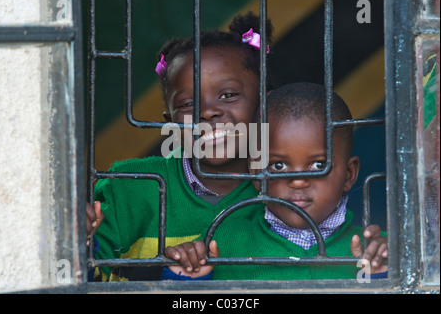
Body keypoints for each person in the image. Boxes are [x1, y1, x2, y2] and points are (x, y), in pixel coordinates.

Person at [86, 12, 386, 281]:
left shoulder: (281, 196)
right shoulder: (129, 185)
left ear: (265, 104)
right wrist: (79, 240)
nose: (208, 113)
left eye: (228, 95)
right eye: (188, 104)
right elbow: (89, 273)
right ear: (170, 122)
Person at [163, 82, 388, 280]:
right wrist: (187, 278)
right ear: (256, 174)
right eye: (278, 165)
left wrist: (383, 274)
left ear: (349, 174)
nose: (298, 181)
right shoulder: (222, 242)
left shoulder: (375, 250)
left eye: (319, 165)